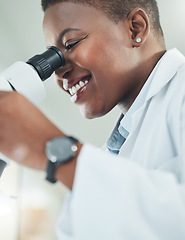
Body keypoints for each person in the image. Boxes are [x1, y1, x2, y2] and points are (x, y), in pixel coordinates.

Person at [0, 0, 185, 239]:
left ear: (136, 28)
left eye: (71, 43)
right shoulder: (115, 152)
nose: (58, 71)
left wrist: (59, 152)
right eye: (52, 55)